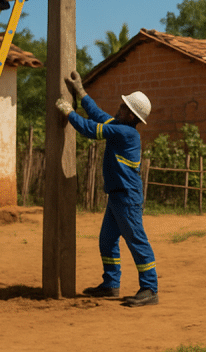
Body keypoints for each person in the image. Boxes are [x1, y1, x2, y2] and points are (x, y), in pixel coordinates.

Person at [55, 71, 159, 307]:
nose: (118, 108)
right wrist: (80, 91)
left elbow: (90, 128)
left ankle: (150, 289)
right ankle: (111, 285)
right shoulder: (120, 127)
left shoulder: (126, 133)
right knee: (107, 240)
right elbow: (97, 114)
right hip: (117, 196)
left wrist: (69, 112)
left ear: (131, 115)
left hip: (127, 198)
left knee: (137, 241)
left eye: (123, 106)